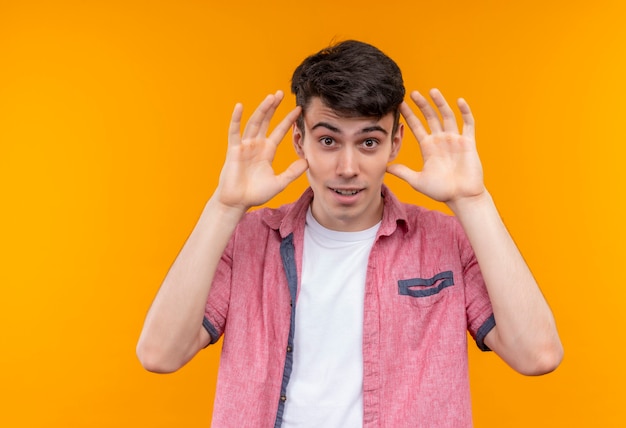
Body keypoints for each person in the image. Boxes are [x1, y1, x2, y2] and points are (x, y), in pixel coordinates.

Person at [137, 40, 563, 427]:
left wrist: (473, 201)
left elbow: (537, 355)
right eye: (328, 141)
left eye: (368, 142)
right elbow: (159, 354)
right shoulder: (248, 239)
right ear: (299, 142)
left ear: (395, 143)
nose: (347, 167)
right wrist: (225, 207)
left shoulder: (446, 241)